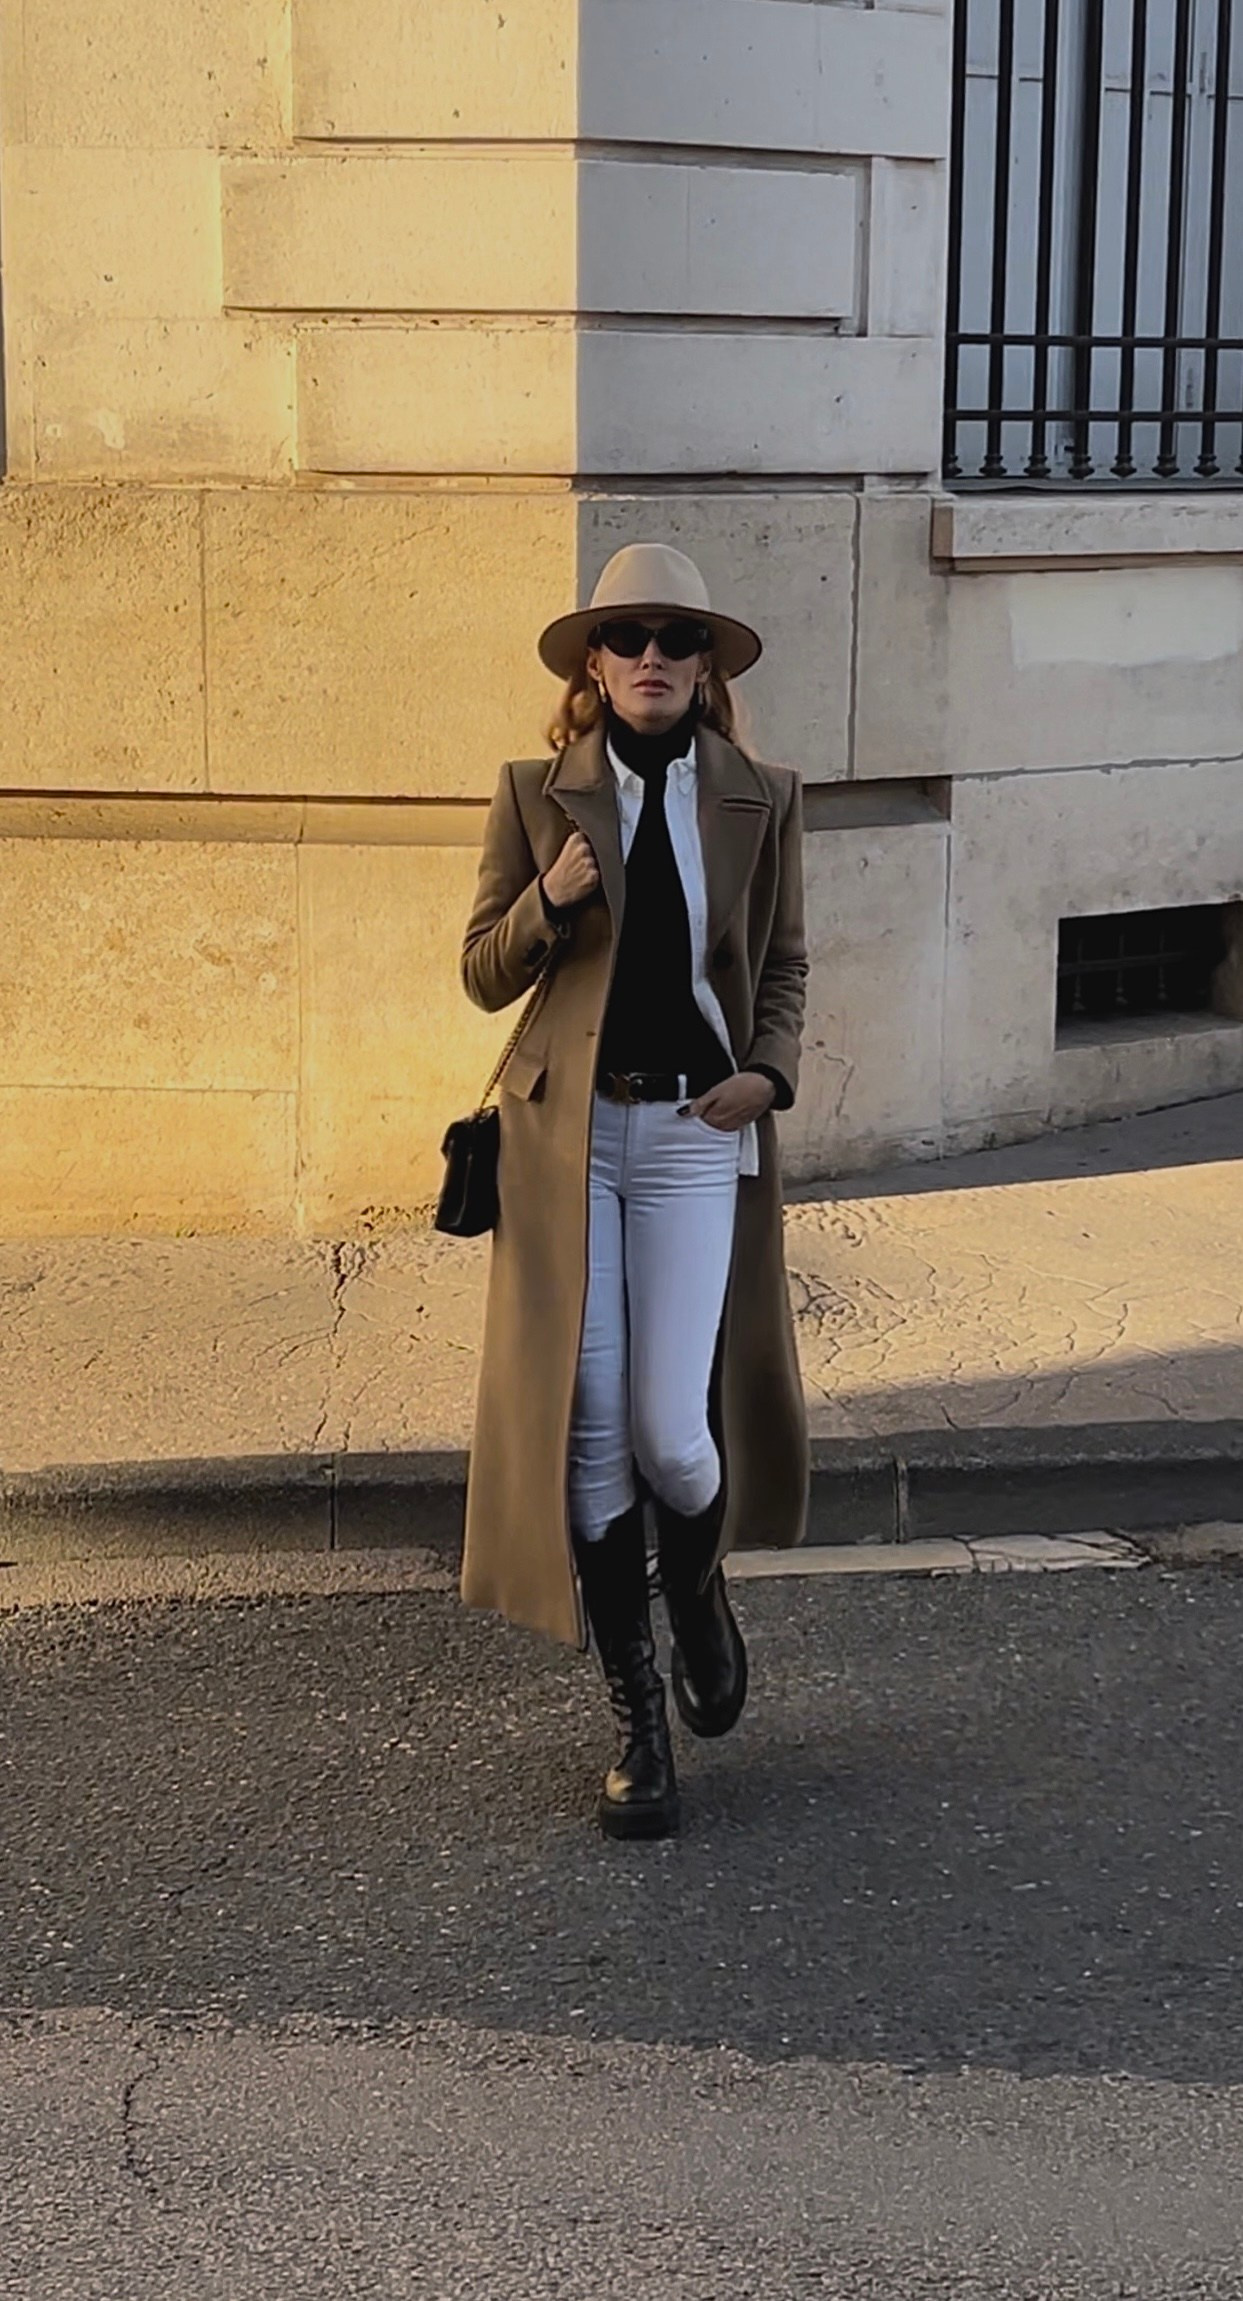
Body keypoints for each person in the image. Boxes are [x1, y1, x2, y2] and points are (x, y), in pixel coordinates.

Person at [460, 543, 809, 1840]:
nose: (652, 655)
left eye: (676, 636)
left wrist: (767, 1076)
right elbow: (485, 974)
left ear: (705, 664)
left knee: (674, 1430)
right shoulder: (533, 796)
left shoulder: (763, 797)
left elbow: (783, 963)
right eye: (628, 637)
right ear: (592, 668)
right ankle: (637, 1723)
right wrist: (549, 901)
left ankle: (701, 1595)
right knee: (593, 1432)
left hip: (689, 1136)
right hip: (570, 1149)